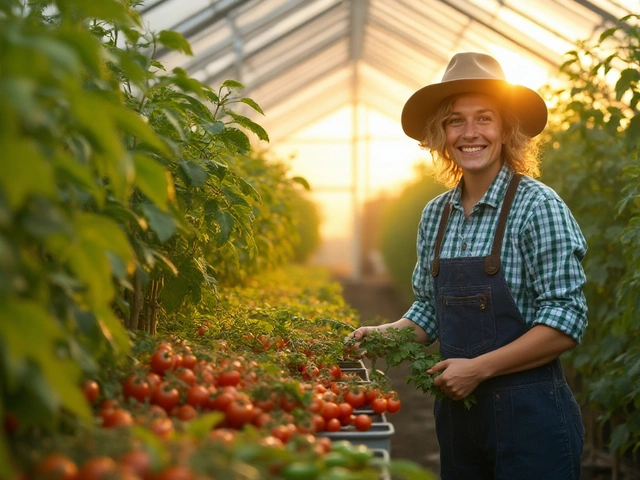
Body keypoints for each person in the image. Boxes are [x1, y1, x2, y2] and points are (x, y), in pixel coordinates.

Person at [349, 52, 587, 480]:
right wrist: (380, 336)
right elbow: (428, 310)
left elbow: (566, 320)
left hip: (531, 420)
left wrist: (478, 368)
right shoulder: (436, 214)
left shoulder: (538, 206)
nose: (470, 133)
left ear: (506, 130)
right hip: (460, 419)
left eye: (484, 119)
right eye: (456, 121)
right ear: (440, 134)